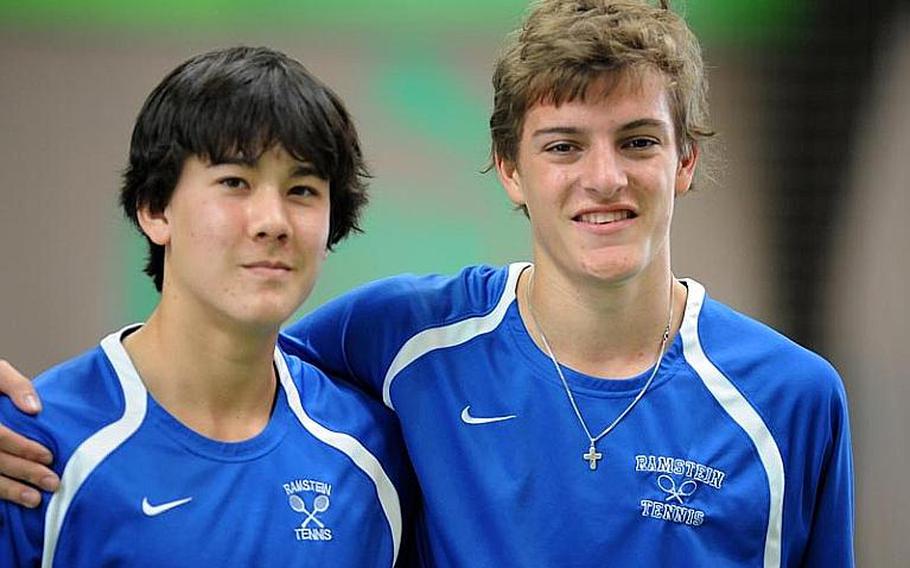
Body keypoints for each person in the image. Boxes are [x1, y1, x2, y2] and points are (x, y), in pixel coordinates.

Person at [0, 1, 854, 566]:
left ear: (686, 160)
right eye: (563, 145)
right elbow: (223, 355)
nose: (605, 178)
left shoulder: (794, 401)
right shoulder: (406, 344)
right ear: (510, 170)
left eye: (637, 141)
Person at [0, 46, 410, 567]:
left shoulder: (372, 452)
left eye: (302, 189)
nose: (273, 221)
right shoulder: (29, 447)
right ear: (154, 208)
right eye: (234, 182)